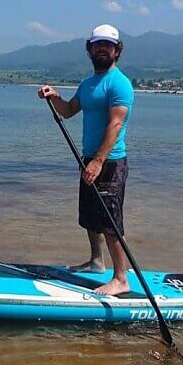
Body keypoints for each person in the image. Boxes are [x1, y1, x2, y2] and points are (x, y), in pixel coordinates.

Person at [37, 24, 134, 296]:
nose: (101, 49)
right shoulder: (88, 84)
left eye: (107, 45)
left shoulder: (119, 83)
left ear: (117, 50)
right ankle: (96, 262)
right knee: (91, 217)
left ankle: (120, 278)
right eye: (97, 44)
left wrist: (99, 161)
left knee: (110, 220)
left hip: (110, 161)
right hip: (90, 158)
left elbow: (115, 124)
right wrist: (54, 96)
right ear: (89, 49)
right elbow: (68, 111)